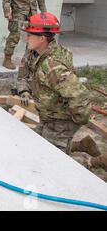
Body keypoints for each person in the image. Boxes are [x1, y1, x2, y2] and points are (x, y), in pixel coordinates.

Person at [19, 12, 106, 171]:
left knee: (55, 164)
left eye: (29, 35)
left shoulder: (53, 67)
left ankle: (96, 162)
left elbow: (79, 96)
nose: (26, 38)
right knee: (40, 145)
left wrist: (71, 122)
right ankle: (82, 144)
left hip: (60, 121)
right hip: (48, 117)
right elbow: (24, 74)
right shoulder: (34, 55)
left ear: (42, 38)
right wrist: (24, 90)